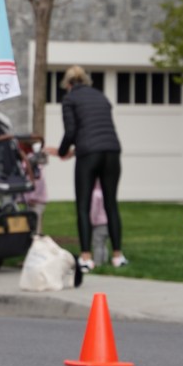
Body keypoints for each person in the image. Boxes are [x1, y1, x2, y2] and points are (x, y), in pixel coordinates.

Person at [57, 65, 126, 271]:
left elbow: (71, 132)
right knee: (111, 204)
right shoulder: (100, 96)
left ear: (68, 84)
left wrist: (62, 152)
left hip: (88, 153)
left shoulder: (70, 99)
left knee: (83, 206)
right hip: (112, 150)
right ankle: (118, 256)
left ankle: (86, 257)